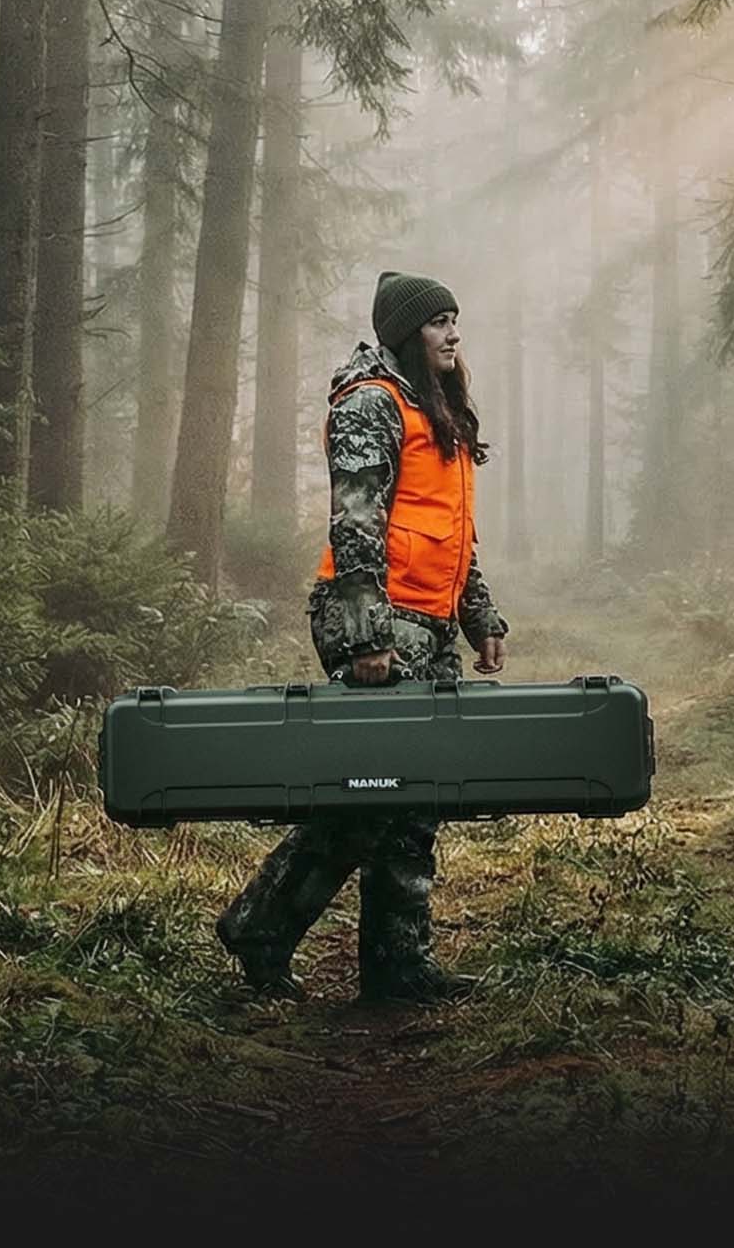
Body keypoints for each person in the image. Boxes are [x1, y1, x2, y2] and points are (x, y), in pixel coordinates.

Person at [215, 271, 512, 1003]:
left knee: (412, 797)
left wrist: (480, 618)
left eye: (454, 318)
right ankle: (261, 923)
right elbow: (356, 525)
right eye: (438, 321)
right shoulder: (372, 405)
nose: (452, 332)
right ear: (408, 332)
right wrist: (367, 633)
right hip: (379, 619)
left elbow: (451, 531)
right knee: (369, 794)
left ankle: (396, 966)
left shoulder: (433, 409)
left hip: (429, 622)